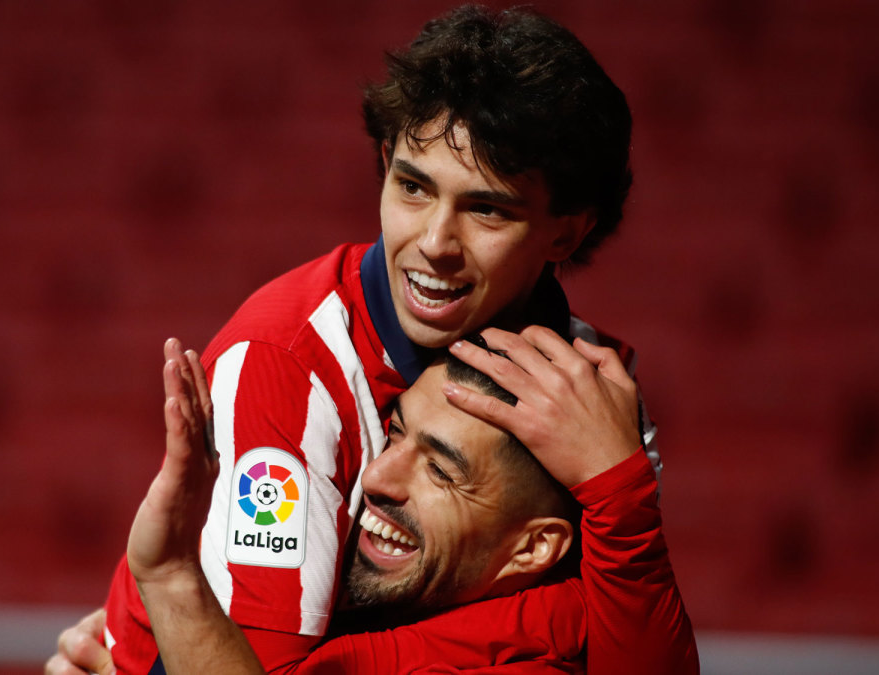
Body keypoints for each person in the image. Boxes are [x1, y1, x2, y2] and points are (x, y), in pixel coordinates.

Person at [51, 4, 694, 673]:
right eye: (413, 187)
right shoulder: (289, 368)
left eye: (486, 208)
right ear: (386, 162)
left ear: (566, 231)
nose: (434, 244)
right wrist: (558, 626)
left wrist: (621, 494)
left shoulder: (593, 391)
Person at [48, 335, 694, 673]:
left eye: (442, 469)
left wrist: (172, 579)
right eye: (394, 431)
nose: (379, 475)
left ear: (534, 546)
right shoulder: (353, 610)